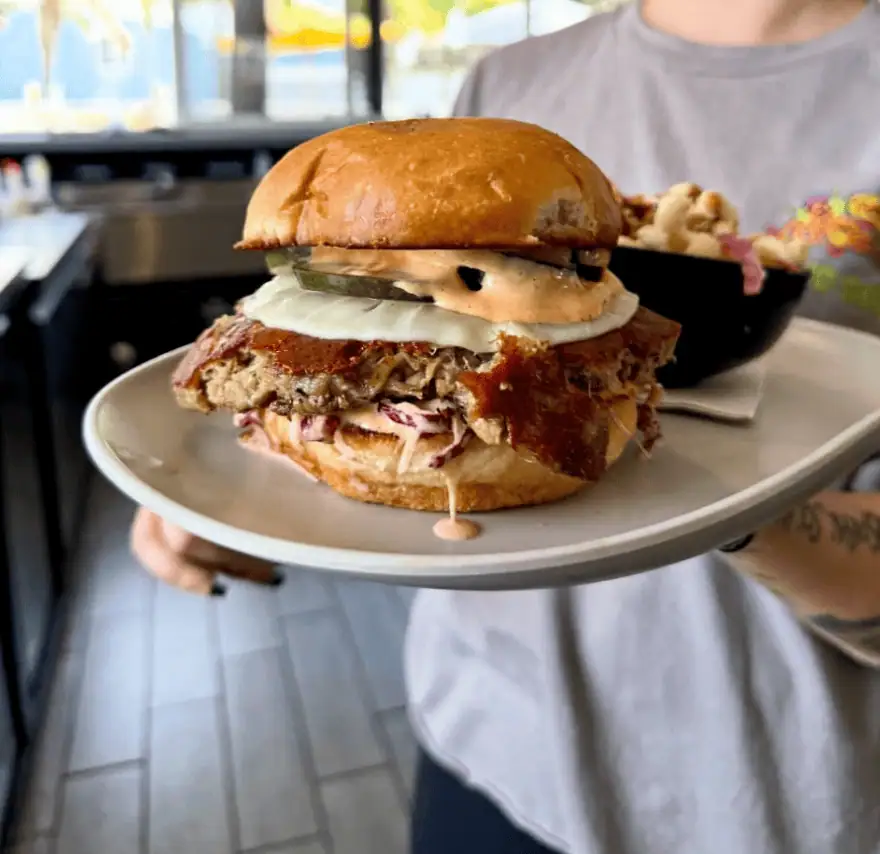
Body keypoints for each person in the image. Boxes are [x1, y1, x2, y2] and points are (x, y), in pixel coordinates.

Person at [132, 1, 880, 851]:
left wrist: (729, 505)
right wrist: (231, 479)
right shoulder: (508, 76)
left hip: (773, 787)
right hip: (485, 738)